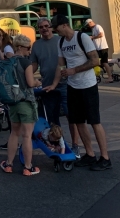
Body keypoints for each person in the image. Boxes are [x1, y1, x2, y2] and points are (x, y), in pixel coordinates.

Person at [53, 15, 111, 171]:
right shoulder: (61, 42)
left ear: (64, 25)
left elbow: (95, 61)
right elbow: (60, 65)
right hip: (73, 86)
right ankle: (90, 154)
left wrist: (74, 70)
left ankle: (105, 158)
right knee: (78, 121)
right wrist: (54, 83)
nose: (55, 31)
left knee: (94, 121)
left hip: (88, 85)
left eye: (56, 27)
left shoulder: (82, 37)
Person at [29, 18, 81, 155]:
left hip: (65, 84)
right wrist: (26, 75)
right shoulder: (37, 45)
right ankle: (57, 143)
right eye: (41, 27)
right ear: (38, 29)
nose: (44, 29)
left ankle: (75, 145)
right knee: (51, 118)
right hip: (47, 86)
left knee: (71, 115)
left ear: (51, 27)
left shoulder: (61, 40)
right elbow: (33, 64)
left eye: (46, 26)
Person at [0, 34, 41, 176]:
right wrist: (37, 82)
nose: (30, 51)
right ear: (20, 47)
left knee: (14, 133)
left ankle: (9, 164)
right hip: (26, 101)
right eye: (28, 48)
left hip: (12, 102)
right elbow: (30, 83)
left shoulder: (8, 61)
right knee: (27, 136)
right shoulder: (25, 62)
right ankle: (27, 167)